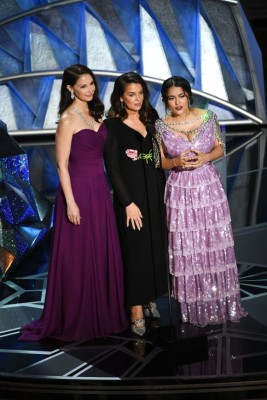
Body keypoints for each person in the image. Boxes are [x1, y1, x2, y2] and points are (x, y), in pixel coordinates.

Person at [18, 64, 128, 342]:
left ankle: (102, 311)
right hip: (77, 192)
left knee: (100, 250)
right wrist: (70, 203)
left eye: (91, 84)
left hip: (99, 191)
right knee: (79, 255)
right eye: (83, 86)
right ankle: (78, 315)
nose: (90, 89)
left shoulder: (94, 112)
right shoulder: (67, 119)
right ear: (70, 89)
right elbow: (61, 165)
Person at [155, 76, 247, 327]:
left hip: (208, 189)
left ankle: (220, 302)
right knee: (188, 248)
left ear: (188, 95)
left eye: (181, 96)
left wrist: (206, 157)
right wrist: (175, 162)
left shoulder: (208, 117)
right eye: (171, 98)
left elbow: (221, 148)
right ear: (165, 100)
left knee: (212, 242)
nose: (177, 102)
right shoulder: (160, 125)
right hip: (180, 191)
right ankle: (192, 309)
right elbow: (158, 160)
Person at [103, 72, 169, 337]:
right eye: (131, 94)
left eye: (141, 93)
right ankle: (135, 308)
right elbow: (113, 169)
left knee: (154, 246)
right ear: (121, 97)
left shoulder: (151, 120)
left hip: (154, 192)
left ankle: (150, 296)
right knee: (135, 250)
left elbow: (160, 158)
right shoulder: (111, 126)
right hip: (131, 198)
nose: (138, 99)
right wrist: (127, 202)